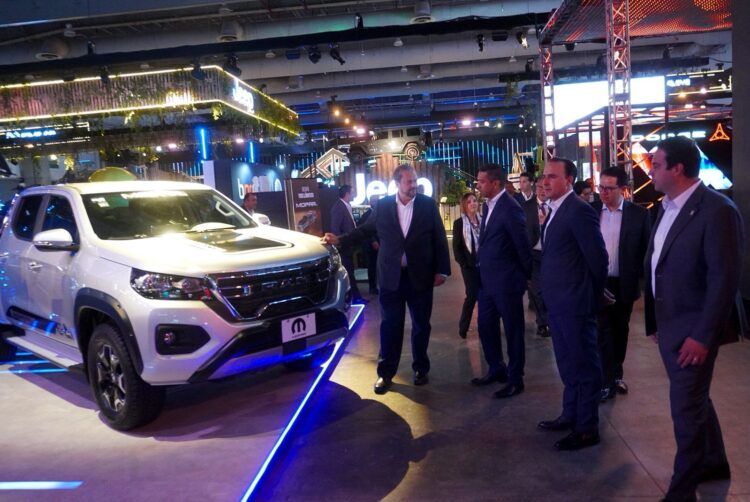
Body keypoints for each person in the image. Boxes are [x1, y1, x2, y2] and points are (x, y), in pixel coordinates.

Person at [645, 136, 744, 502]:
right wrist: (656, 322)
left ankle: (682, 491)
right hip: (671, 326)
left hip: (693, 331)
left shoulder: (717, 210)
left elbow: (724, 279)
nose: (651, 172)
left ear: (678, 169)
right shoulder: (666, 207)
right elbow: (658, 265)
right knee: (696, 400)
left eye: (656, 166)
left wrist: (703, 336)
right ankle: (714, 464)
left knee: (686, 409)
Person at [323, 164, 450, 395]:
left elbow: (439, 238)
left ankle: (421, 368)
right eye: (409, 181)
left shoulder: (427, 205)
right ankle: (386, 373)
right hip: (391, 278)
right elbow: (364, 231)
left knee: (421, 325)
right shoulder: (382, 206)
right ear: (397, 183)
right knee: (390, 325)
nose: (414, 185)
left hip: (420, 276)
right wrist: (340, 240)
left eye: (415, 181)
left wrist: (442, 270)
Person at [537, 157, 608, 451]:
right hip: (558, 303)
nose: (545, 181)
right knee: (567, 364)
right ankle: (571, 414)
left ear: (568, 181)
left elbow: (598, 258)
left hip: (576, 303)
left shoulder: (579, 211)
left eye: (552, 176)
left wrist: (591, 294)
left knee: (584, 365)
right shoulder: (556, 209)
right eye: (544, 176)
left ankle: (587, 427)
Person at [472, 164, 532, 398]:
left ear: (496, 183)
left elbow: (522, 245)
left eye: (482, 182)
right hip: (487, 282)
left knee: (513, 331)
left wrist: (524, 277)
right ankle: (496, 368)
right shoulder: (488, 205)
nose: (477, 185)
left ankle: (516, 379)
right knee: (485, 326)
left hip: (507, 282)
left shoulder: (510, 208)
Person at [592, 167, 651, 402]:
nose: (603, 192)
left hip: (624, 283)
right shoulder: (591, 211)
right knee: (601, 331)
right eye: (601, 187)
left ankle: (616, 375)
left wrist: (642, 282)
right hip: (598, 283)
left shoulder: (639, 215)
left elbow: (646, 250)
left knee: (620, 330)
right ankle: (604, 380)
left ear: (623, 189)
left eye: (609, 188)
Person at [522, 181, 550, 337]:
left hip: (551, 254)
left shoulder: (555, 206)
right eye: (539, 188)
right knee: (537, 290)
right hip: (533, 253)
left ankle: (551, 319)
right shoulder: (526, 207)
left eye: (545, 188)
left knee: (550, 289)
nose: (542, 191)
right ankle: (543, 323)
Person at [452, 192, 481, 339]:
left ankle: (485, 325)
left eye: (474, 201)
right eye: (469, 202)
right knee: (472, 295)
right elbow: (456, 247)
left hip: (485, 265)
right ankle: (463, 327)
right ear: (464, 205)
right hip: (469, 267)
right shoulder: (459, 223)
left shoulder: (483, 220)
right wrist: (464, 263)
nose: (473, 204)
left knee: (485, 296)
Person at [329, 184, 364, 302]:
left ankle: (355, 297)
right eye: (353, 192)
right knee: (348, 272)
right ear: (347, 194)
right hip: (343, 248)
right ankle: (355, 298)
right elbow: (335, 229)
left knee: (350, 272)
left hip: (348, 246)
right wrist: (341, 243)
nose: (354, 195)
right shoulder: (338, 207)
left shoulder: (345, 206)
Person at [358, 194, 380, 295]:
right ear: (370, 202)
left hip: (380, 245)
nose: (376, 202)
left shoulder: (380, 213)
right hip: (371, 246)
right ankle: (372, 287)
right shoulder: (366, 215)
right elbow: (364, 230)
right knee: (372, 266)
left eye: (377, 200)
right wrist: (373, 241)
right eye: (374, 200)